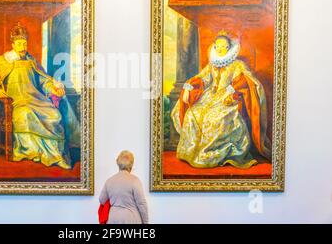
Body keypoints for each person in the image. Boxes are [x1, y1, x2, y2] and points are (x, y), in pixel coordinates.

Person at [0, 22, 72, 169]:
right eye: (19, 43)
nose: (23, 46)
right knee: (26, 113)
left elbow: (43, 81)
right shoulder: (4, 61)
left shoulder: (31, 62)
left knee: (54, 115)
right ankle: (31, 152)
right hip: (17, 103)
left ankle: (55, 155)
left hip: (36, 100)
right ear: (13, 44)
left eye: (24, 42)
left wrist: (53, 89)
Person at [171, 31, 272, 169]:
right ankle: (192, 152)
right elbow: (203, 78)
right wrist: (190, 85)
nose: (219, 49)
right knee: (192, 113)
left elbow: (245, 81)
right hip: (210, 96)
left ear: (228, 48)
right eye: (217, 46)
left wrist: (231, 91)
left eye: (223, 46)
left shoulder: (237, 65)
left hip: (229, 97)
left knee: (215, 117)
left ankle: (213, 153)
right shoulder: (212, 64)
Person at [99, 151, 149, 224]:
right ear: (131, 165)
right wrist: (145, 222)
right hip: (131, 218)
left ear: (118, 164)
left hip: (113, 218)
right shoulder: (135, 180)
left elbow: (102, 200)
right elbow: (141, 204)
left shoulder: (109, 181)